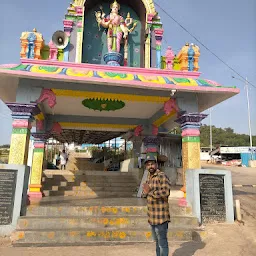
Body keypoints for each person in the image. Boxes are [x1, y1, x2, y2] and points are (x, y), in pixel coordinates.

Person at [142, 155, 171, 256]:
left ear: (156, 164)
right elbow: (146, 192)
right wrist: (144, 193)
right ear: (146, 166)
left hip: (161, 217)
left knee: (162, 243)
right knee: (157, 242)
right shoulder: (149, 177)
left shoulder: (161, 176)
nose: (151, 166)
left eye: (152, 164)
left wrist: (150, 192)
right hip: (152, 217)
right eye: (148, 164)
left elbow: (166, 192)